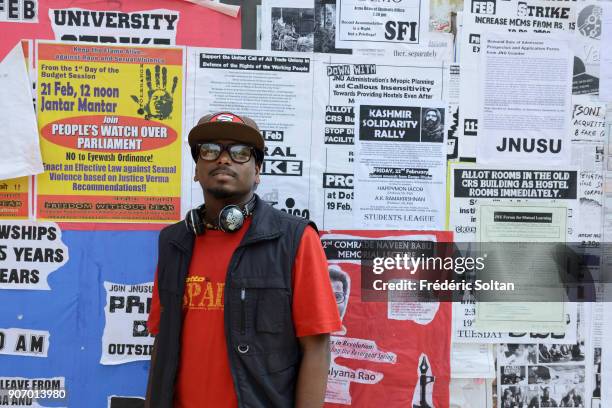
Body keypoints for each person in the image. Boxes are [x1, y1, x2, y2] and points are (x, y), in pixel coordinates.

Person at [145, 112, 342, 407]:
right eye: (210, 150)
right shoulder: (173, 242)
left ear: (258, 170)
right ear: (197, 168)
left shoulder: (293, 239)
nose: (223, 160)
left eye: (240, 153)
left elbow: (316, 346)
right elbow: (162, 341)